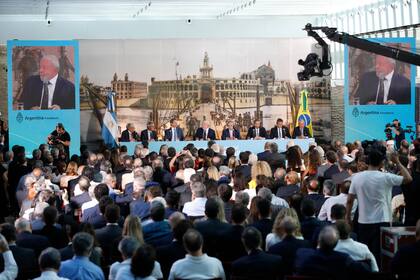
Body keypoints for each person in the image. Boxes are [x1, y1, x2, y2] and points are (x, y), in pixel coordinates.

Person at [346, 149, 412, 262]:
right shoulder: (386, 177)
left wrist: (348, 218)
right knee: (379, 256)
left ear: (368, 162)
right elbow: (408, 178)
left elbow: (349, 200)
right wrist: (398, 162)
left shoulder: (357, 178)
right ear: (382, 162)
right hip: (382, 221)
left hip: (363, 222)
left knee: (364, 254)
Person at [295, 226, 369, 280]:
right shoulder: (344, 259)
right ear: (336, 243)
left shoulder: (305, 257)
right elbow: (365, 270)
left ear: (319, 241)